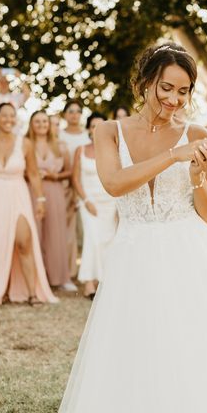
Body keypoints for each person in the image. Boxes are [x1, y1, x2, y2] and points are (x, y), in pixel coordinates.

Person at [58, 43, 207, 412]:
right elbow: (114, 183)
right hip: (133, 254)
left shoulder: (196, 134)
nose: (174, 99)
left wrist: (196, 176)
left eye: (183, 91)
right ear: (146, 83)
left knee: (190, 347)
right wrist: (173, 156)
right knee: (134, 347)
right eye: (167, 88)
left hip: (189, 254)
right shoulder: (107, 132)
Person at [0, 103, 59, 311]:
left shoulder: (25, 144)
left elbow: (34, 174)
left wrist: (41, 199)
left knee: (24, 240)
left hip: (18, 195)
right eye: (4, 115)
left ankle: (32, 293)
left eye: (12, 115)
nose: (9, 119)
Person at [72, 112, 117, 299]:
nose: (96, 130)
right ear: (88, 129)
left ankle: (104, 280)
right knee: (92, 238)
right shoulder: (80, 151)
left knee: (108, 241)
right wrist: (86, 200)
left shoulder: (113, 150)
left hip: (110, 202)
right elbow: (75, 179)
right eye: (93, 126)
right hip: (89, 201)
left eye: (100, 126)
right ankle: (89, 283)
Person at [26, 110, 72, 288]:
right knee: (34, 232)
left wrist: (55, 176)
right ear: (31, 124)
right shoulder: (26, 144)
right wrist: (31, 174)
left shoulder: (60, 146)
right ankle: (37, 278)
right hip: (32, 190)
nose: (41, 125)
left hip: (55, 190)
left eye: (44, 121)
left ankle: (60, 278)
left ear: (49, 124)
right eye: (37, 121)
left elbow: (69, 171)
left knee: (56, 233)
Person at [59, 99, 90, 284]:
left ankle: (88, 273)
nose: (74, 114)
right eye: (71, 111)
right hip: (63, 185)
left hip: (85, 186)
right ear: (65, 114)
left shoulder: (88, 136)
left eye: (78, 111)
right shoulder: (58, 135)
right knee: (67, 231)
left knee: (85, 230)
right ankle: (68, 272)